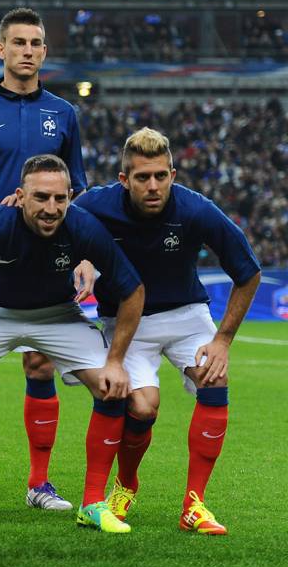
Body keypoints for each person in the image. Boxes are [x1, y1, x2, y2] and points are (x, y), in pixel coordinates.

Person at [0, 154, 143, 534]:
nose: (51, 208)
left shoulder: (84, 227)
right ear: (20, 196)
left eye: (60, 199)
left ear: (71, 197)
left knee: (113, 388)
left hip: (55, 313)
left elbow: (134, 291)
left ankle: (92, 503)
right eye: (41, 198)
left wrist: (116, 361)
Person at [74, 128, 261, 535]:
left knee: (215, 378)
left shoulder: (196, 210)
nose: (153, 185)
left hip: (187, 316)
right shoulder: (94, 205)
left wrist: (223, 340)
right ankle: (125, 485)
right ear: (124, 180)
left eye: (161, 175)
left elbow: (248, 273)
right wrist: (81, 258)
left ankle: (194, 504)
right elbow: (56, 226)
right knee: (141, 407)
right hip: (127, 322)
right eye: (142, 177)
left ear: (173, 174)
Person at [0, 7, 90, 511]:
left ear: (45, 51)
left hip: (50, 256)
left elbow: (79, 190)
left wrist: (82, 256)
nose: (28, 50)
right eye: (19, 42)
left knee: (41, 363)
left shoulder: (63, 113)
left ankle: (39, 483)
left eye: (37, 43)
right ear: (0, 49)